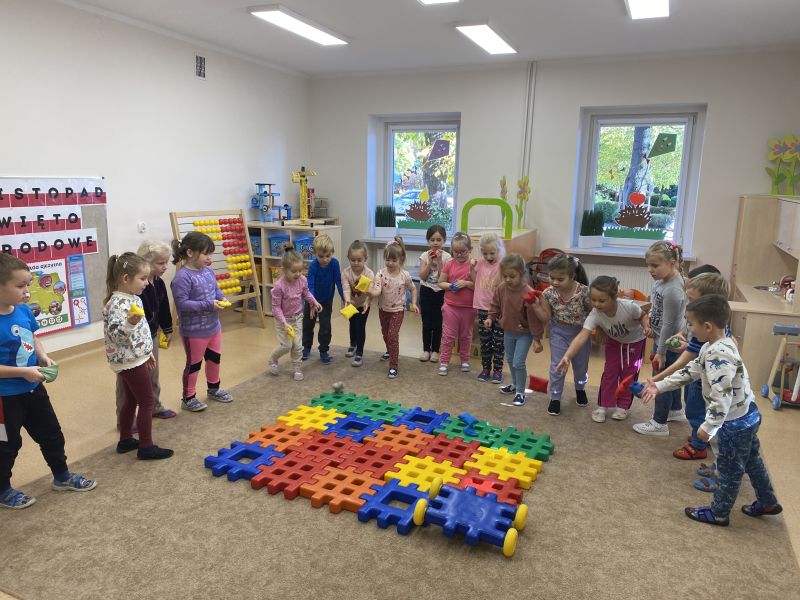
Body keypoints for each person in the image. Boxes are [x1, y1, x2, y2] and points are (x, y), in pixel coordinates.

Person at [642, 295, 782, 526]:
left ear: (707, 326)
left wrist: (709, 427)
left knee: (729, 470)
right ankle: (768, 501)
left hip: (734, 422)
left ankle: (719, 513)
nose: (688, 329)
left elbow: (722, 396)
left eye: (691, 324)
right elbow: (691, 371)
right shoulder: (715, 345)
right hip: (747, 413)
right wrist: (660, 386)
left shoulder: (719, 354)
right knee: (751, 460)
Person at [0, 254, 97, 509]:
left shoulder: (22, 310)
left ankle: (62, 476)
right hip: (4, 398)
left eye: (28, 284)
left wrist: (42, 356)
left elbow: (32, 337)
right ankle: (2, 490)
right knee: (6, 445)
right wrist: (23, 372)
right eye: (20, 286)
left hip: (34, 388)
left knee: (51, 433)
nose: (27, 292)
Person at [650, 270, 729, 465]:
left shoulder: (707, 336)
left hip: (703, 381)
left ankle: (698, 445)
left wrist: (656, 379)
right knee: (699, 408)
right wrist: (682, 338)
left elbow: (681, 364)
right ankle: (704, 434)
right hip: (701, 376)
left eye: (692, 299)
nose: (687, 303)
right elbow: (689, 337)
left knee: (695, 409)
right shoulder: (714, 327)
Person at [104, 252, 173, 460]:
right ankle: (146, 447)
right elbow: (116, 336)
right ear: (126, 278)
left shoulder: (133, 298)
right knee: (147, 402)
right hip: (128, 361)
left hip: (135, 356)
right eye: (142, 279)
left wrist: (146, 353)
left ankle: (125, 440)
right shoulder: (118, 303)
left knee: (132, 400)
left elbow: (141, 332)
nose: (147, 283)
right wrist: (130, 323)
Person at [557, 276, 650, 423]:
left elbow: (642, 315)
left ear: (614, 297)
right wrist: (567, 356)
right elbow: (582, 336)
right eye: (593, 300)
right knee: (609, 374)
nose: (596, 304)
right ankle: (603, 406)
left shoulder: (628, 306)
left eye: (601, 301)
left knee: (629, 375)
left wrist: (646, 327)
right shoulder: (595, 314)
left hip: (635, 343)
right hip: (614, 342)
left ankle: (623, 407)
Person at [114, 240, 176, 430]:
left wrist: (168, 328)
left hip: (151, 336)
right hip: (131, 342)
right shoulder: (135, 289)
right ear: (145, 262)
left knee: (152, 374)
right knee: (127, 379)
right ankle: (124, 417)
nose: (165, 267)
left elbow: (163, 307)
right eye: (160, 263)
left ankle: (155, 406)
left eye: (166, 262)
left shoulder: (159, 282)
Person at [171, 231, 232, 412]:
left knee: (214, 360)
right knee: (194, 365)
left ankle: (214, 389)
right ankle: (188, 398)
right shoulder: (182, 277)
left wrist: (222, 298)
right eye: (205, 254)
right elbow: (182, 304)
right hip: (194, 332)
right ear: (190, 253)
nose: (208, 258)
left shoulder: (208, 271)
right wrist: (208, 304)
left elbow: (216, 290)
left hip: (214, 328)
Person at [633, 241, 687, 437]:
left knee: (661, 381)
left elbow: (669, 324)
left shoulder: (673, 289)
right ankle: (675, 410)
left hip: (668, 343)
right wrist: (649, 326)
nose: (650, 270)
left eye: (655, 265)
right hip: (661, 336)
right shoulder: (662, 280)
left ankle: (659, 422)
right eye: (648, 265)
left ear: (672, 263)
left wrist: (661, 352)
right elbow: (657, 309)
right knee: (672, 378)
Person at [531, 254, 592, 416]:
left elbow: (593, 313)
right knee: (557, 366)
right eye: (552, 278)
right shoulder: (548, 294)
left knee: (581, 367)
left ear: (572, 276)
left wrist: (598, 331)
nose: (555, 282)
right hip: (558, 332)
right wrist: (536, 306)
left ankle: (580, 388)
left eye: (560, 279)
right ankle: (555, 397)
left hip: (580, 334)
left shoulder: (584, 291)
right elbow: (546, 318)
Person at [485, 254, 544, 406]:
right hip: (508, 331)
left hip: (524, 334)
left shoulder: (528, 293)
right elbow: (495, 305)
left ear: (522, 274)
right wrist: (490, 317)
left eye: (512, 276)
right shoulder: (501, 288)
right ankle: (514, 384)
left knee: (518, 363)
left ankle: (520, 392)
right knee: (510, 360)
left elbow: (534, 319)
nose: (508, 280)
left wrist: (537, 339)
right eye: (505, 276)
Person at [269, 243, 321, 380]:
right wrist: (284, 323)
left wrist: (314, 302)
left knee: (297, 345)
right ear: (284, 270)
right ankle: (273, 359)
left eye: (300, 270)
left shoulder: (302, 280)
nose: (298, 274)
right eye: (294, 271)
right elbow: (275, 307)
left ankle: (297, 368)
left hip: (297, 318)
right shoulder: (279, 287)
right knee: (287, 345)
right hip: (283, 321)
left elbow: (306, 293)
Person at [369, 236, 419, 378]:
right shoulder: (380, 273)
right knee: (385, 334)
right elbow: (377, 291)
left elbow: (413, 288)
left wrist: (414, 303)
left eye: (393, 260)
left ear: (400, 259)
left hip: (397, 311)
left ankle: (394, 365)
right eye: (387, 259)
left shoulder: (405, 275)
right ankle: (389, 350)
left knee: (392, 335)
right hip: (383, 309)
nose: (390, 263)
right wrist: (369, 291)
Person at [437, 232, 476, 375]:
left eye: (463, 251)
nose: (459, 255)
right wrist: (450, 286)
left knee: (466, 336)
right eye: (455, 251)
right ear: (451, 250)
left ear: (470, 249)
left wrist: (466, 283)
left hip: (469, 308)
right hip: (450, 307)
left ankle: (465, 360)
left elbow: (478, 286)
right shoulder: (449, 264)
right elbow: (440, 282)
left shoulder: (473, 265)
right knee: (448, 336)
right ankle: (444, 361)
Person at [302, 234, 344, 364]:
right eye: (321, 256)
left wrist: (345, 298)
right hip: (312, 300)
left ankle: (324, 350)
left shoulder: (334, 264)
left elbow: (338, 282)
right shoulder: (313, 266)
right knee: (308, 325)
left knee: (325, 326)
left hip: (326, 301)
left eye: (328, 256)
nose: (325, 259)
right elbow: (310, 285)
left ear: (332, 253)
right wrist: (312, 303)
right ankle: (306, 347)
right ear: (314, 254)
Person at [473, 232, 505, 383]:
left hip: (499, 309)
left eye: (492, 253)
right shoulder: (480, 263)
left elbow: (504, 284)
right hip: (482, 308)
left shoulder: (503, 264)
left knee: (498, 342)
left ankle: (498, 370)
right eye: (485, 253)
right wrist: (471, 268)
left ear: (499, 250)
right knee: (485, 341)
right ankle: (486, 369)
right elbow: (475, 281)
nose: (489, 256)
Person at [417, 225, 451, 363]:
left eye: (439, 239)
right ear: (428, 241)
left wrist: (439, 261)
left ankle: (435, 350)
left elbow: (443, 278)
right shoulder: (424, 256)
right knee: (426, 322)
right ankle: (426, 349)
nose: (435, 243)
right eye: (432, 240)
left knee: (438, 323)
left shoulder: (447, 257)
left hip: (440, 293)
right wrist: (430, 261)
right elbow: (422, 276)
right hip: (426, 291)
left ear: (444, 240)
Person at [342, 240, 374, 367]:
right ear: (348, 258)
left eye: (359, 260)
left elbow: (370, 291)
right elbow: (346, 288)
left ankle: (359, 353)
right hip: (351, 304)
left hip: (364, 305)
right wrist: (347, 300)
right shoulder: (345, 273)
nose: (356, 263)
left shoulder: (369, 273)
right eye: (353, 260)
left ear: (365, 259)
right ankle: (353, 344)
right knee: (352, 325)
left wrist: (367, 301)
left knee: (360, 326)